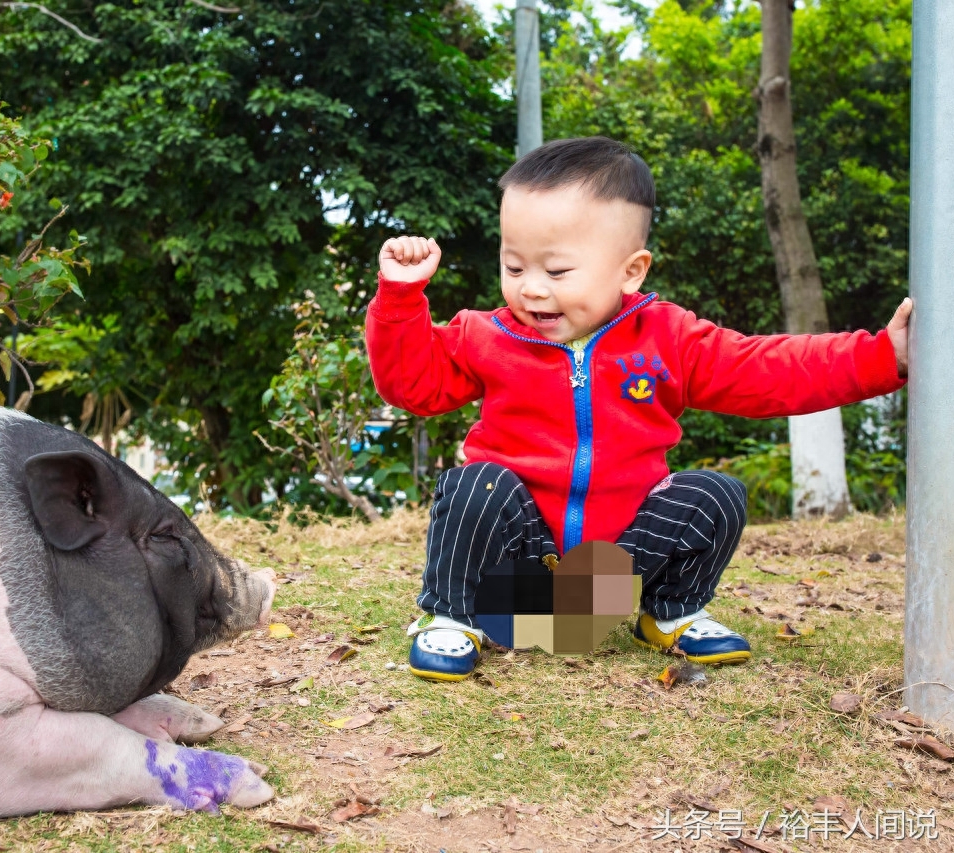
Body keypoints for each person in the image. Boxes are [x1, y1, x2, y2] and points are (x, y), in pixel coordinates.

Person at [366, 136, 912, 681]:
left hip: (612, 577)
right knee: (475, 484)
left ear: (632, 271)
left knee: (716, 494)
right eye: (514, 267)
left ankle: (668, 612)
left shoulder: (668, 338)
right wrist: (401, 299)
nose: (531, 290)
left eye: (557, 273)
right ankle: (454, 617)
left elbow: (770, 369)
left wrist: (882, 357)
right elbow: (413, 386)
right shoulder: (487, 335)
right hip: (516, 576)